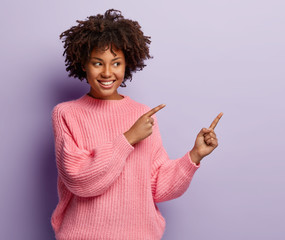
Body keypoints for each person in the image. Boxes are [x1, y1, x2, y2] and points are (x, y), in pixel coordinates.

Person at [51, 9, 223, 240]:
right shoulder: (66, 114)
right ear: (83, 64)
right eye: (97, 63)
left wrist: (194, 156)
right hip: (84, 234)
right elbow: (80, 180)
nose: (107, 72)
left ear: (127, 64)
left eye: (116, 63)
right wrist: (129, 138)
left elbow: (157, 187)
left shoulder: (142, 114)